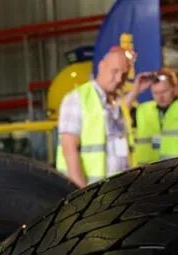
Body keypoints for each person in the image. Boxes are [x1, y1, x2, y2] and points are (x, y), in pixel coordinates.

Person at [56, 46, 134, 187]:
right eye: (114, 71)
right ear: (101, 66)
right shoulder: (77, 99)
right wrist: (84, 196)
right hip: (92, 192)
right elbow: (69, 149)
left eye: (124, 74)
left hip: (118, 192)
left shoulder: (119, 103)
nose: (118, 79)